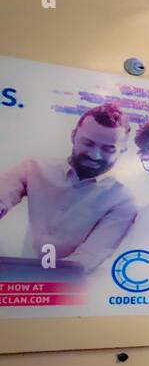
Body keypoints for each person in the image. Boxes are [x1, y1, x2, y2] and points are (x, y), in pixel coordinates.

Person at [0, 102, 138, 273]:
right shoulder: (34, 168)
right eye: (88, 143)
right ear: (73, 136)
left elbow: (87, 258)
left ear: (122, 150)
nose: (95, 155)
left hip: (71, 290)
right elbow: (5, 190)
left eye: (108, 149)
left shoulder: (123, 201)